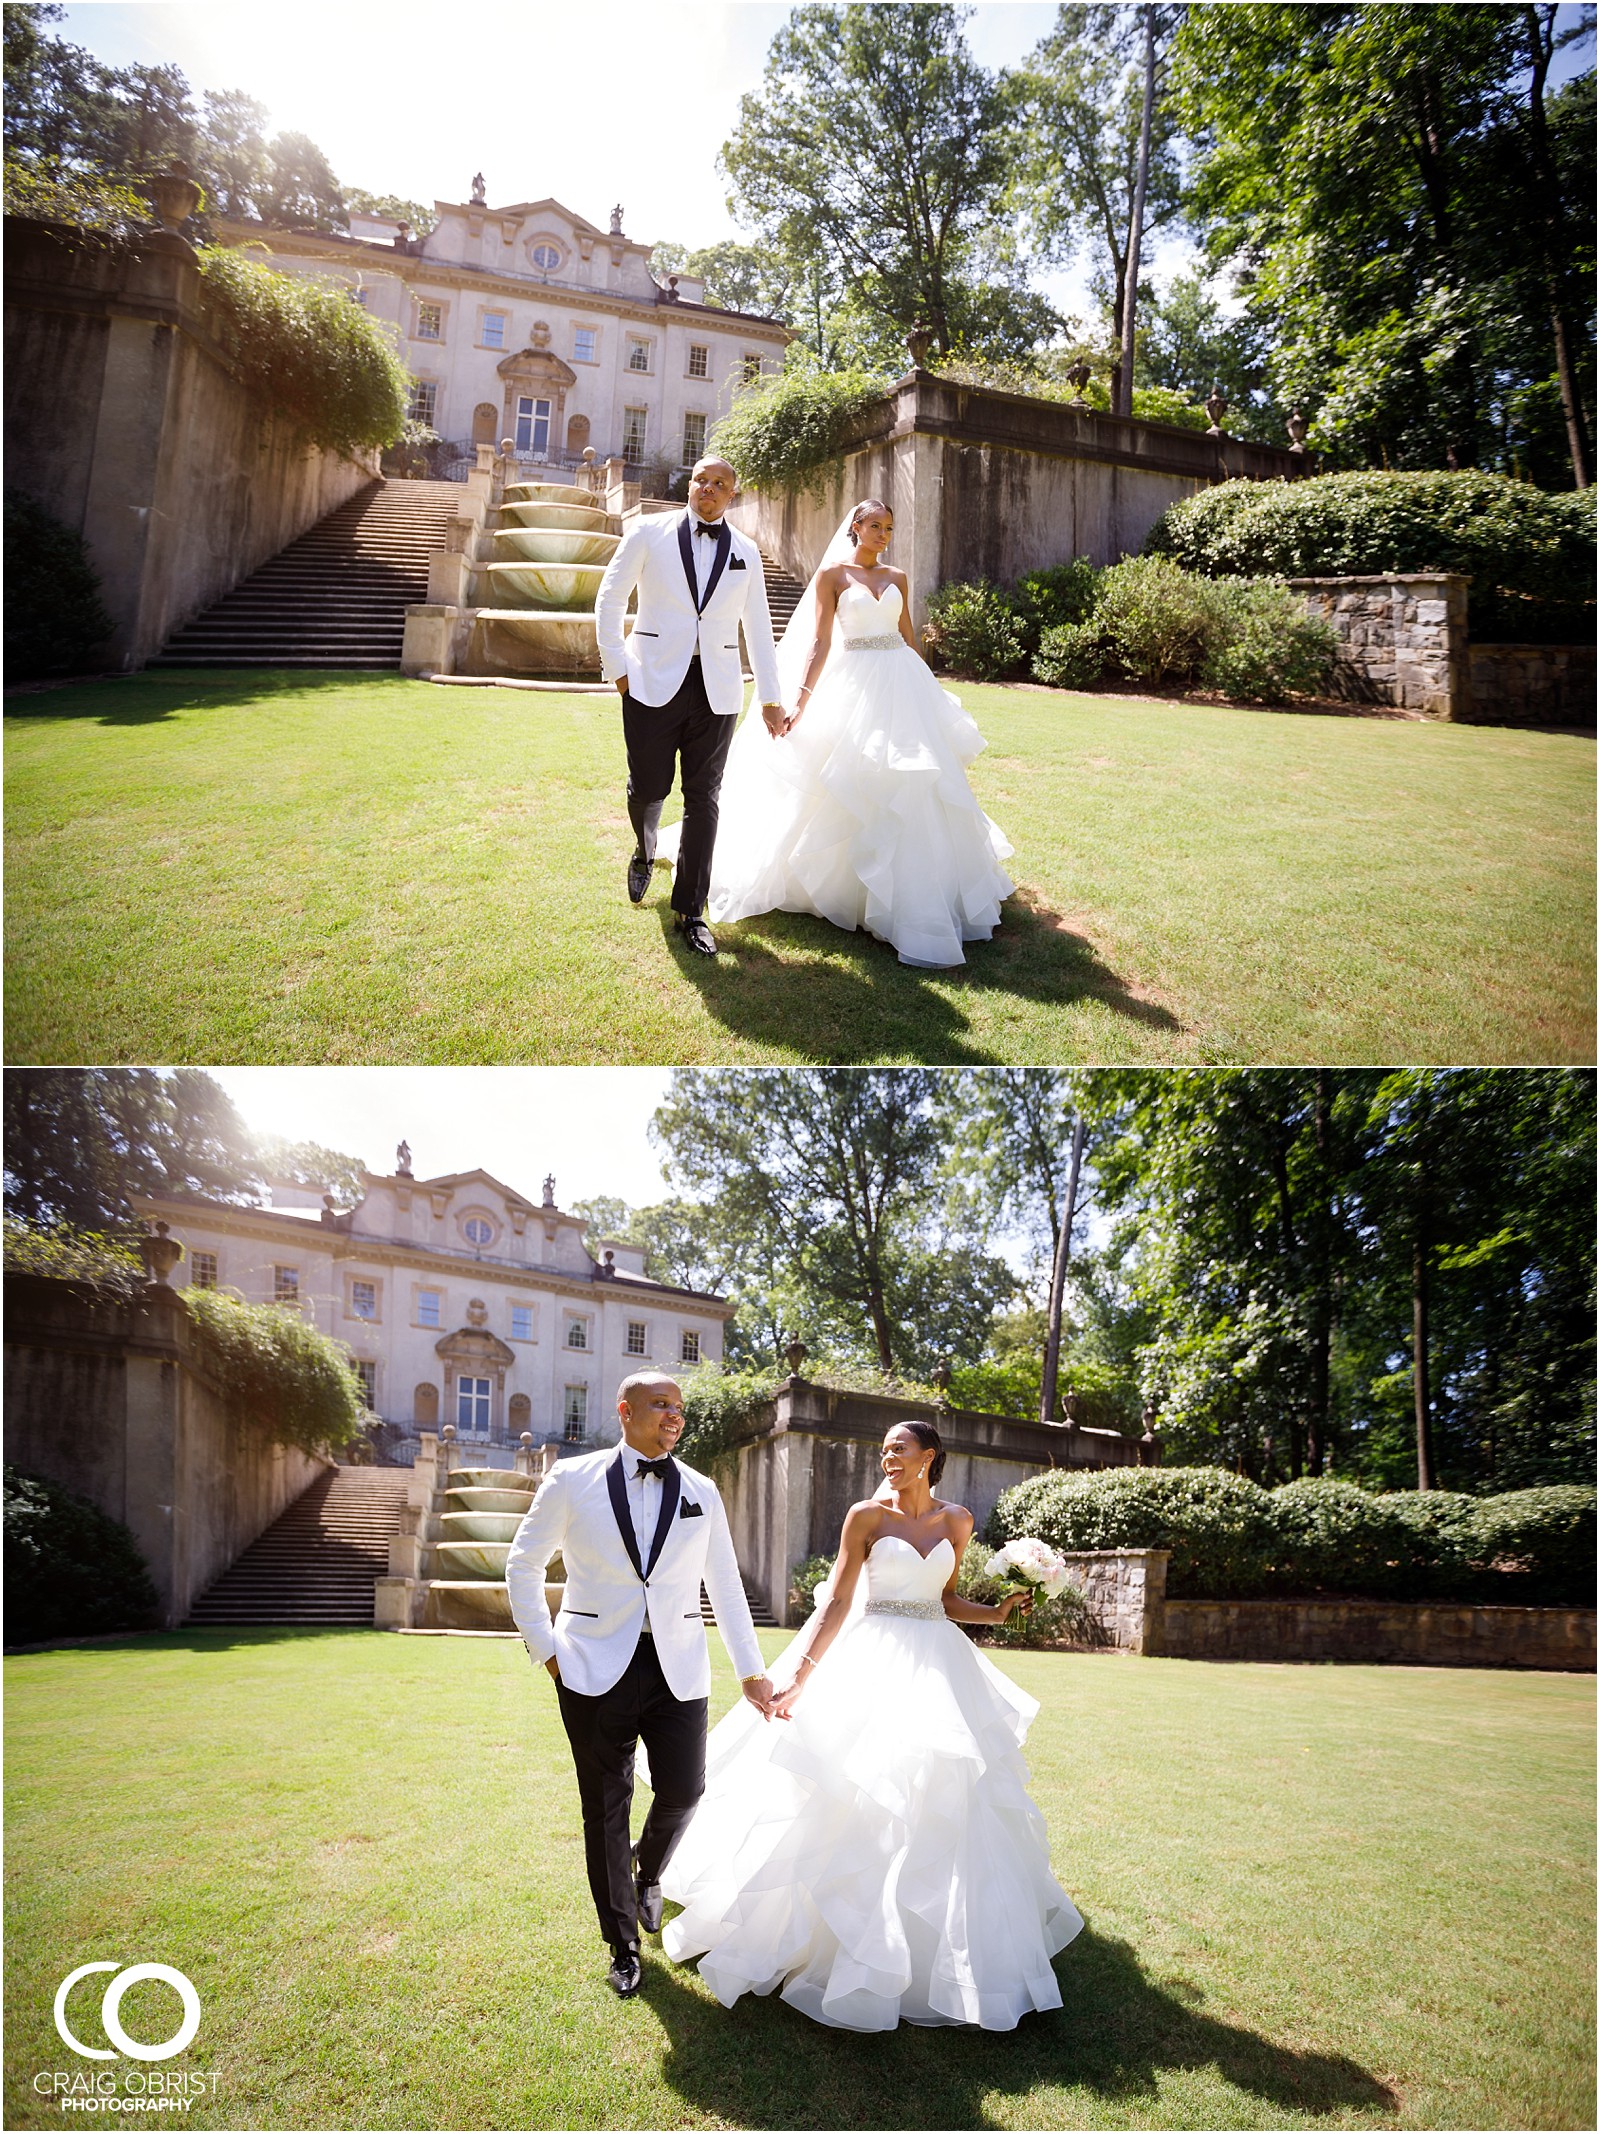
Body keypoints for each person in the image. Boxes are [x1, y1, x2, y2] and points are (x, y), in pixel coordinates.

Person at [660, 1419, 1083, 2031]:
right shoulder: (865, 1517)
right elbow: (836, 1599)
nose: (887, 1457)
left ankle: (937, 1947)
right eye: (882, 1449)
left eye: (899, 1448)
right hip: (870, 1653)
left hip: (938, 1664)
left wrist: (998, 1609)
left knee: (946, 1794)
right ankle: (833, 1937)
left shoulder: (957, 1521)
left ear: (928, 1456)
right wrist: (802, 1677)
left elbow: (945, 1599)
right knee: (852, 1787)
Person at [504, 1373, 776, 1999]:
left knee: (685, 1787)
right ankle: (622, 1944)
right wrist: (546, 1650)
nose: (674, 1417)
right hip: (590, 1665)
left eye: (679, 1408)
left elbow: (726, 1587)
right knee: (605, 1807)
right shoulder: (572, 1480)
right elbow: (522, 1563)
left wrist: (753, 1672)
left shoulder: (702, 1491)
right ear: (624, 1411)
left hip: (678, 1666)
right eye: (661, 1406)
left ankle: (649, 1873)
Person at [664, 500, 1015, 969]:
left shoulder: (899, 578)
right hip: (855, 682)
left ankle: (914, 892)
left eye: (888, 528)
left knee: (915, 783)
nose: (882, 534)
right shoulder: (832, 576)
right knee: (849, 777)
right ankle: (844, 888)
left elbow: (909, 636)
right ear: (856, 526)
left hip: (902, 683)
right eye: (874, 526)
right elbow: (821, 640)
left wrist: (927, 688)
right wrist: (801, 700)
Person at [592, 456, 786, 959]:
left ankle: (691, 909)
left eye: (721, 484)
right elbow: (610, 599)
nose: (710, 488)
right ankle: (644, 846)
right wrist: (618, 667)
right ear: (691, 483)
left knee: (704, 797)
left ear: (731, 495)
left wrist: (770, 697)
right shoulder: (646, 532)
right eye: (703, 479)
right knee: (649, 787)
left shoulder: (746, 550)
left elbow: (759, 628)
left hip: (717, 688)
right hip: (650, 680)